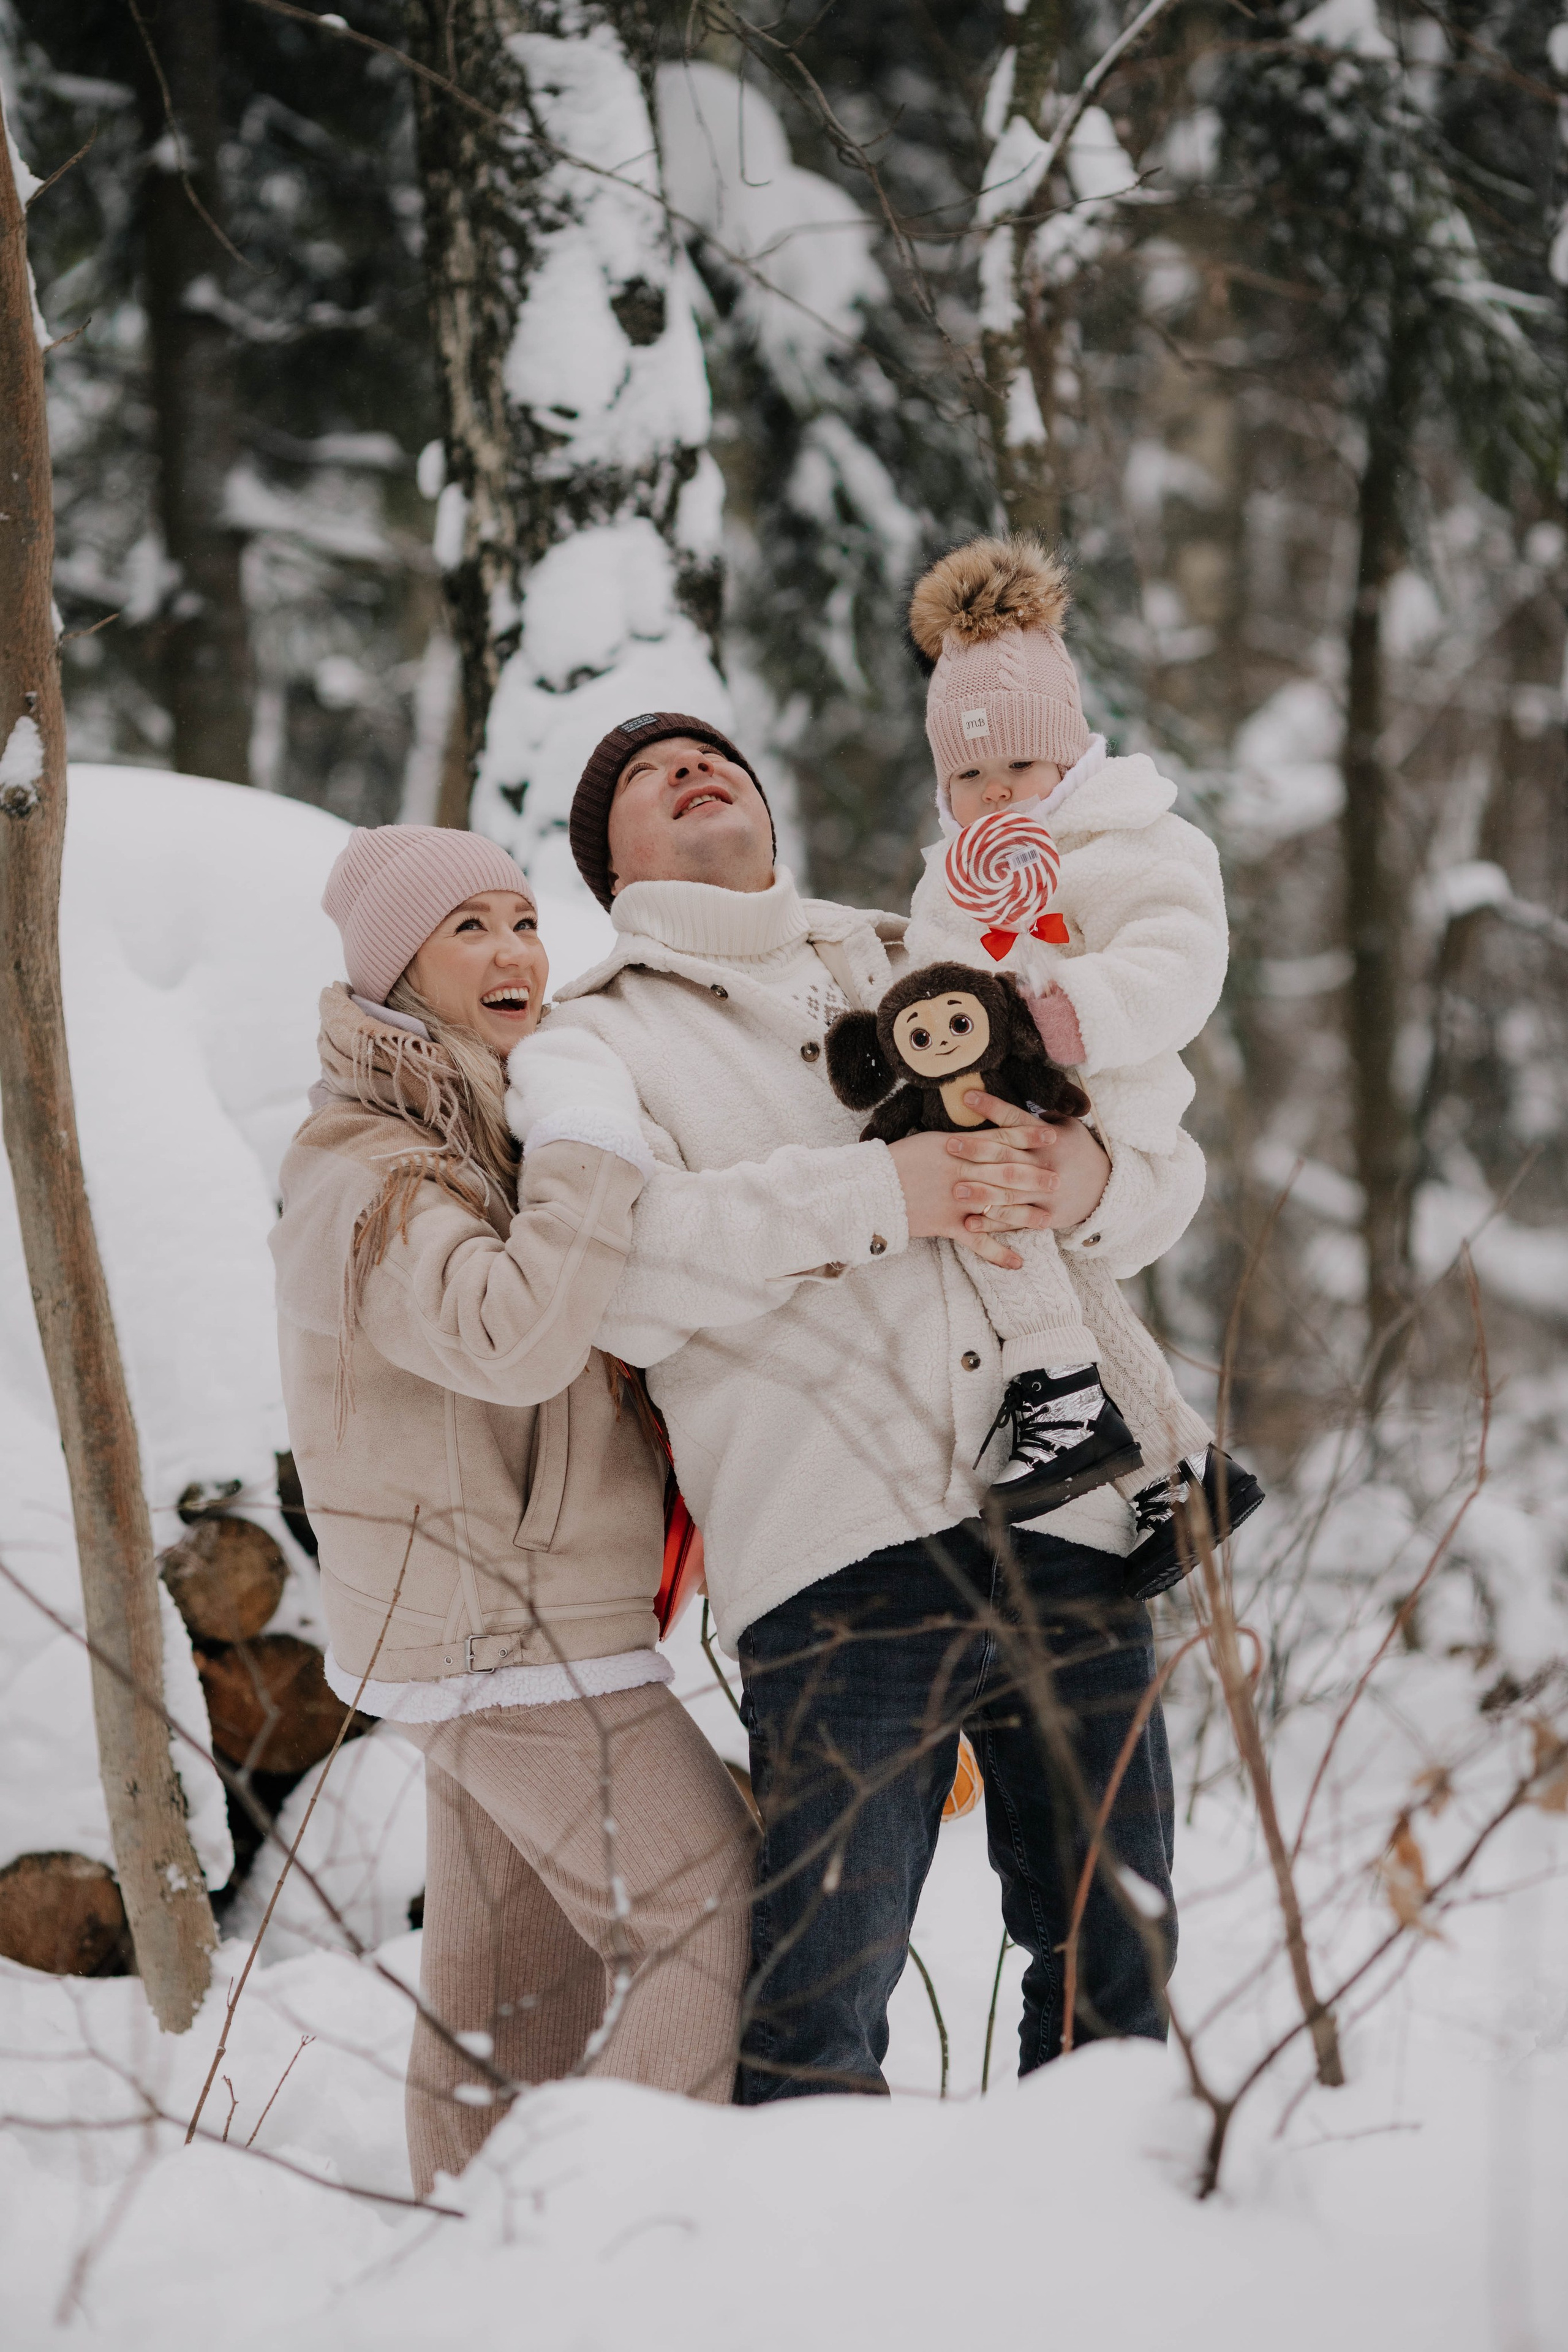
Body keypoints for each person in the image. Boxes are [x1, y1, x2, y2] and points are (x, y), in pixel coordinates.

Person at [513, 709, 1210, 2098]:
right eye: (651, 778)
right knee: (824, 1991)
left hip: (1063, 1510)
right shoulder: (589, 1042)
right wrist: (886, 1196)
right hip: (834, 1560)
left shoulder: (930, 954)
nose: (694, 770)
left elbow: (1154, 1173)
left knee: (1114, 1949)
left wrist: (1078, 1182)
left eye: (717, 760)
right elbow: (624, 1272)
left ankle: (1104, 2257)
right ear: (609, 861)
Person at [270, 824, 753, 2196]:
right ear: (395, 968)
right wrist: (589, 1147)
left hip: (505, 1616)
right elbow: (514, 1339)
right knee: (714, 1913)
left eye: (523, 919)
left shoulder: (470, 1126)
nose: (513, 952)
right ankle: (576, 2237)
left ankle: (466, 2253)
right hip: (505, 1629)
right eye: (468, 927)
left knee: (509, 1994)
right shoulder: (362, 1170)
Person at [900, 534, 1262, 1581]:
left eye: (1019, 764)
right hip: (995, 1112)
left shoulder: (1140, 841)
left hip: (1112, 1098)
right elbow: (929, 991)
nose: (996, 793)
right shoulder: (946, 887)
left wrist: (1067, 1014)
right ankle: (1174, 1467)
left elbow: (1179, 963)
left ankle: (1065, 1398)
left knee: (1011, 1222)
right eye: (969, 775)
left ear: (1070, 756)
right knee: (1010, 1233)